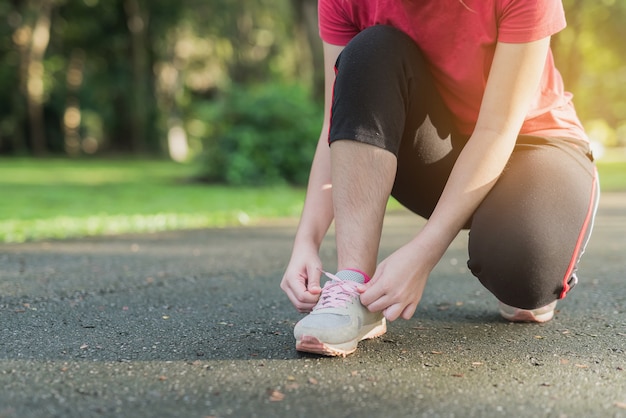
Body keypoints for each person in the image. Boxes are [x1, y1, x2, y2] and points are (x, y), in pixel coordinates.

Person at [280, 0, 600, 357]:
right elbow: (337, 124)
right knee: (370, 50)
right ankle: (354, 286)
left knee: (526, 275)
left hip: (532, 142)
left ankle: (517, 251)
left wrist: (422, 254)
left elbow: (497, 129)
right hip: (436, 149)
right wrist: (305, 241)